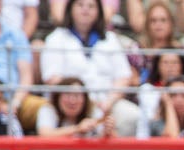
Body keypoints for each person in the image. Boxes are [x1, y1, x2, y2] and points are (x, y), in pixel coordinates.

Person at [41, 0, 141, 138]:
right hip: (70, 102)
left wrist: (108, 102)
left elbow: (123, 77)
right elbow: (51, 77)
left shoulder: (110, 39)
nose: (85, 10)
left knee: (133, 116)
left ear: (99, 11)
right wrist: (82, 100)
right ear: (70, 9)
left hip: (106, 102)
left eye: (91, 6)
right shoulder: (56, 38)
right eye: (80, 5)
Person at [35, 77, 114, 137]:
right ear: (57, 97)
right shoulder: (48, 109)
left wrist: (107, 131)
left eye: (77, 95)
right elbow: (44, 135)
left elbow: (111, 139)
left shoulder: (93, 109)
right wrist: (77, 129)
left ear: (85, 99)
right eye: (67, 95)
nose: (72, 101)